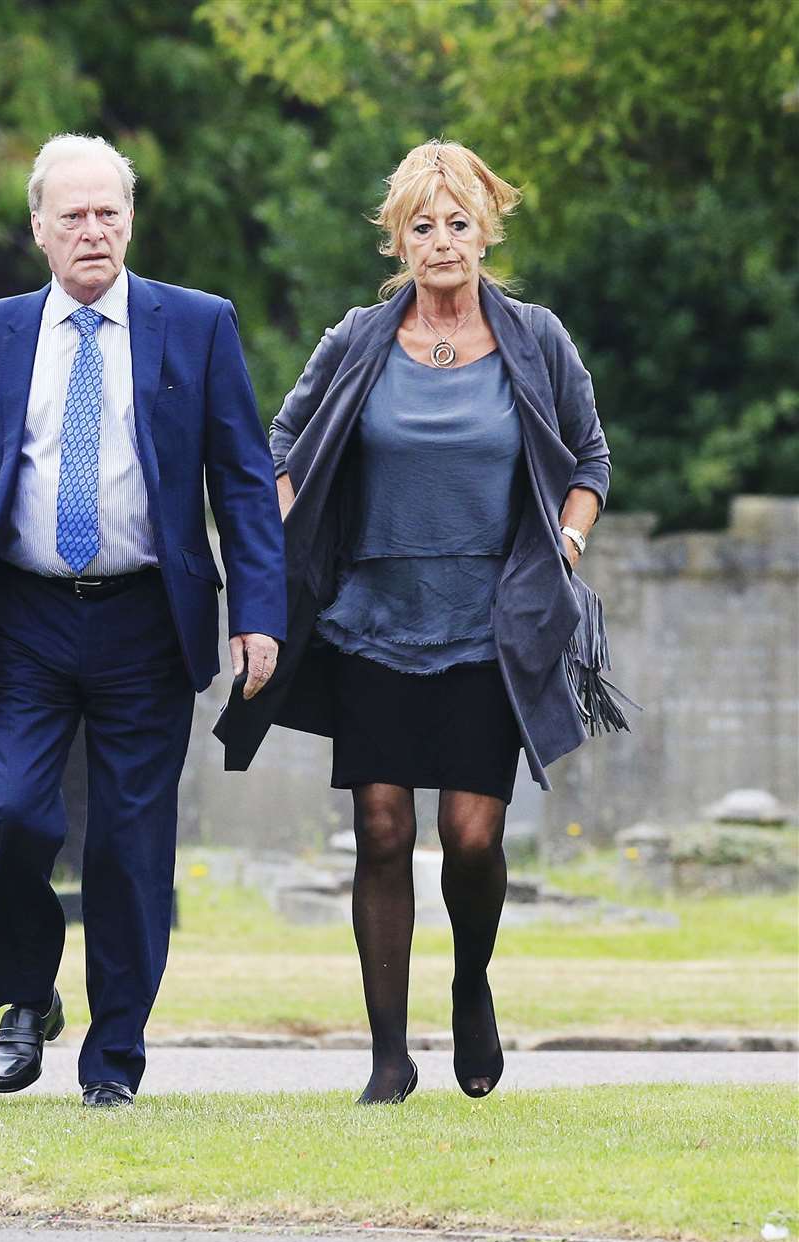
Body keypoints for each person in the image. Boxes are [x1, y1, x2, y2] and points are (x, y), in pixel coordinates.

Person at [216, 141, 611, 1103]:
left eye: (460, 223)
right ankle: (389, 1056)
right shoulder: (357, 338)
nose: (443, 242)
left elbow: (588, 460)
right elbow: (286, 445)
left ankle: (470, 983)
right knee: (383, 828)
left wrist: (565, 539)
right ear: (401, 238)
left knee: (473, 837)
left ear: (486, 231)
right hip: (372, 620)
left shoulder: (536, 338)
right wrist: (272, 535)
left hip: (489, 624)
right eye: (423, 225)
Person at [0, 133, 284, 1107]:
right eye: (73, 215)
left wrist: (260, 613)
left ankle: (112, 1063)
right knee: (11, 814)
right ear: (38, 228)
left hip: (146, 623)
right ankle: (23, 996)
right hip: (27, 620)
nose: (93, 230)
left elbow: (246, 483)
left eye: (109, 213)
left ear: (131, 220)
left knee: (130, 850)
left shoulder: (198, 326)